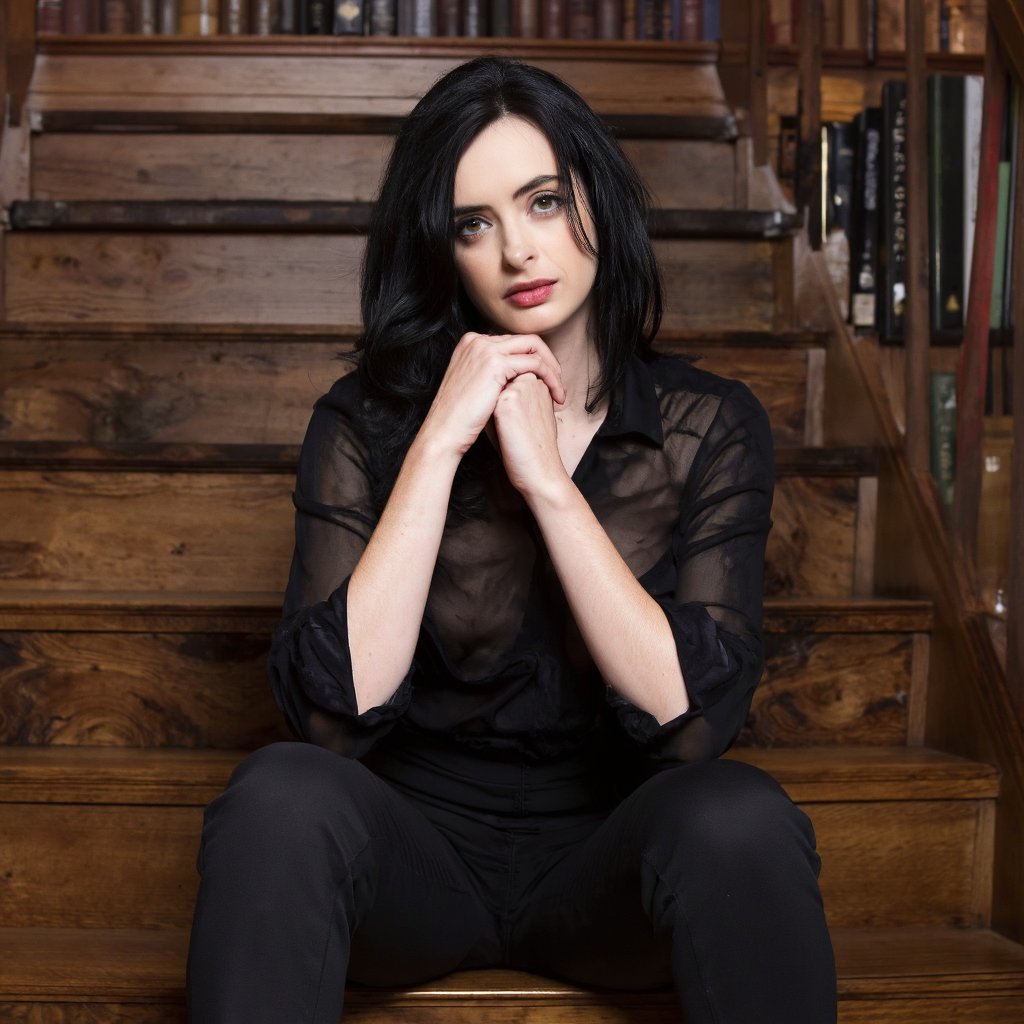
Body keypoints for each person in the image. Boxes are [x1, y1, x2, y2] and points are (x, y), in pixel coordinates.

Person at [186, 56, 837, 1023]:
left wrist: (546, 484)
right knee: (278, 797)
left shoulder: (712, 424)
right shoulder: (363, 424)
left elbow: (691, 724)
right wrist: (442, 441)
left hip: (608, 863)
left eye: (542, 202)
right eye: (473, 224)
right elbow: (332, 718)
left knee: (741, 816)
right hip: (417, 861)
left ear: (600, 207)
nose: (518, 252)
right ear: (440, 251)